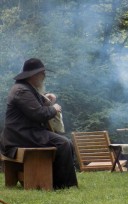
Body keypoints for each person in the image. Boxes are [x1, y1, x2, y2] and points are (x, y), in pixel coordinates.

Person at [0, 58, 78, 189]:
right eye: (42, 73)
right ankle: (64, 185)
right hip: (22, 135)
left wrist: (47, 99)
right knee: (64, 143)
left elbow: (34, 107)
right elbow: (39, 114)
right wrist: (54, 108)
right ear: (34, 75)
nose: (44, 76)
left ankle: (56, 180)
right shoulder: (22, 91)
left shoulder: (25, 88)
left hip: (24, 133)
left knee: (64, 143)